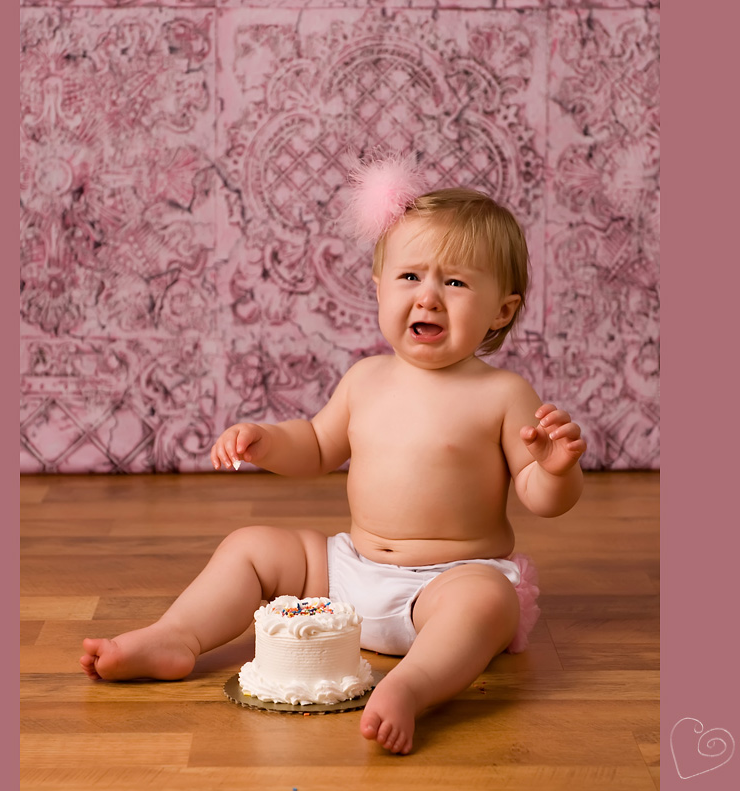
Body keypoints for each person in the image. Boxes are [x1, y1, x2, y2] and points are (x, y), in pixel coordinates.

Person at [81, 155, 586, 756]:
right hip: (349, 574)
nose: (428, 296)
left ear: (501, 311)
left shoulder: (502, 395)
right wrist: (267, 440)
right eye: (409, 278)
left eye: (454, 282)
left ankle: (411, 686)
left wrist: (555, 470)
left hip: (449, 581)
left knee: (487, 603)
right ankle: (176, 637)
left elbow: (539, 496)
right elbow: (318, 445)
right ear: (378, 290)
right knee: (253, 547)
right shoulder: (365, 379)